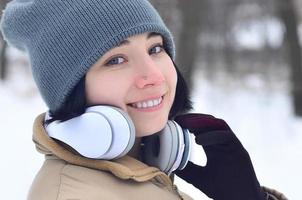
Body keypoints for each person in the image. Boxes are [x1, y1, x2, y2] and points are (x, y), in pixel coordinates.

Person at [0, 0, 288, 199]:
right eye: (115, 59)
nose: (154, 76)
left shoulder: (140, 173)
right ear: (69, 89)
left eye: (155, 48)